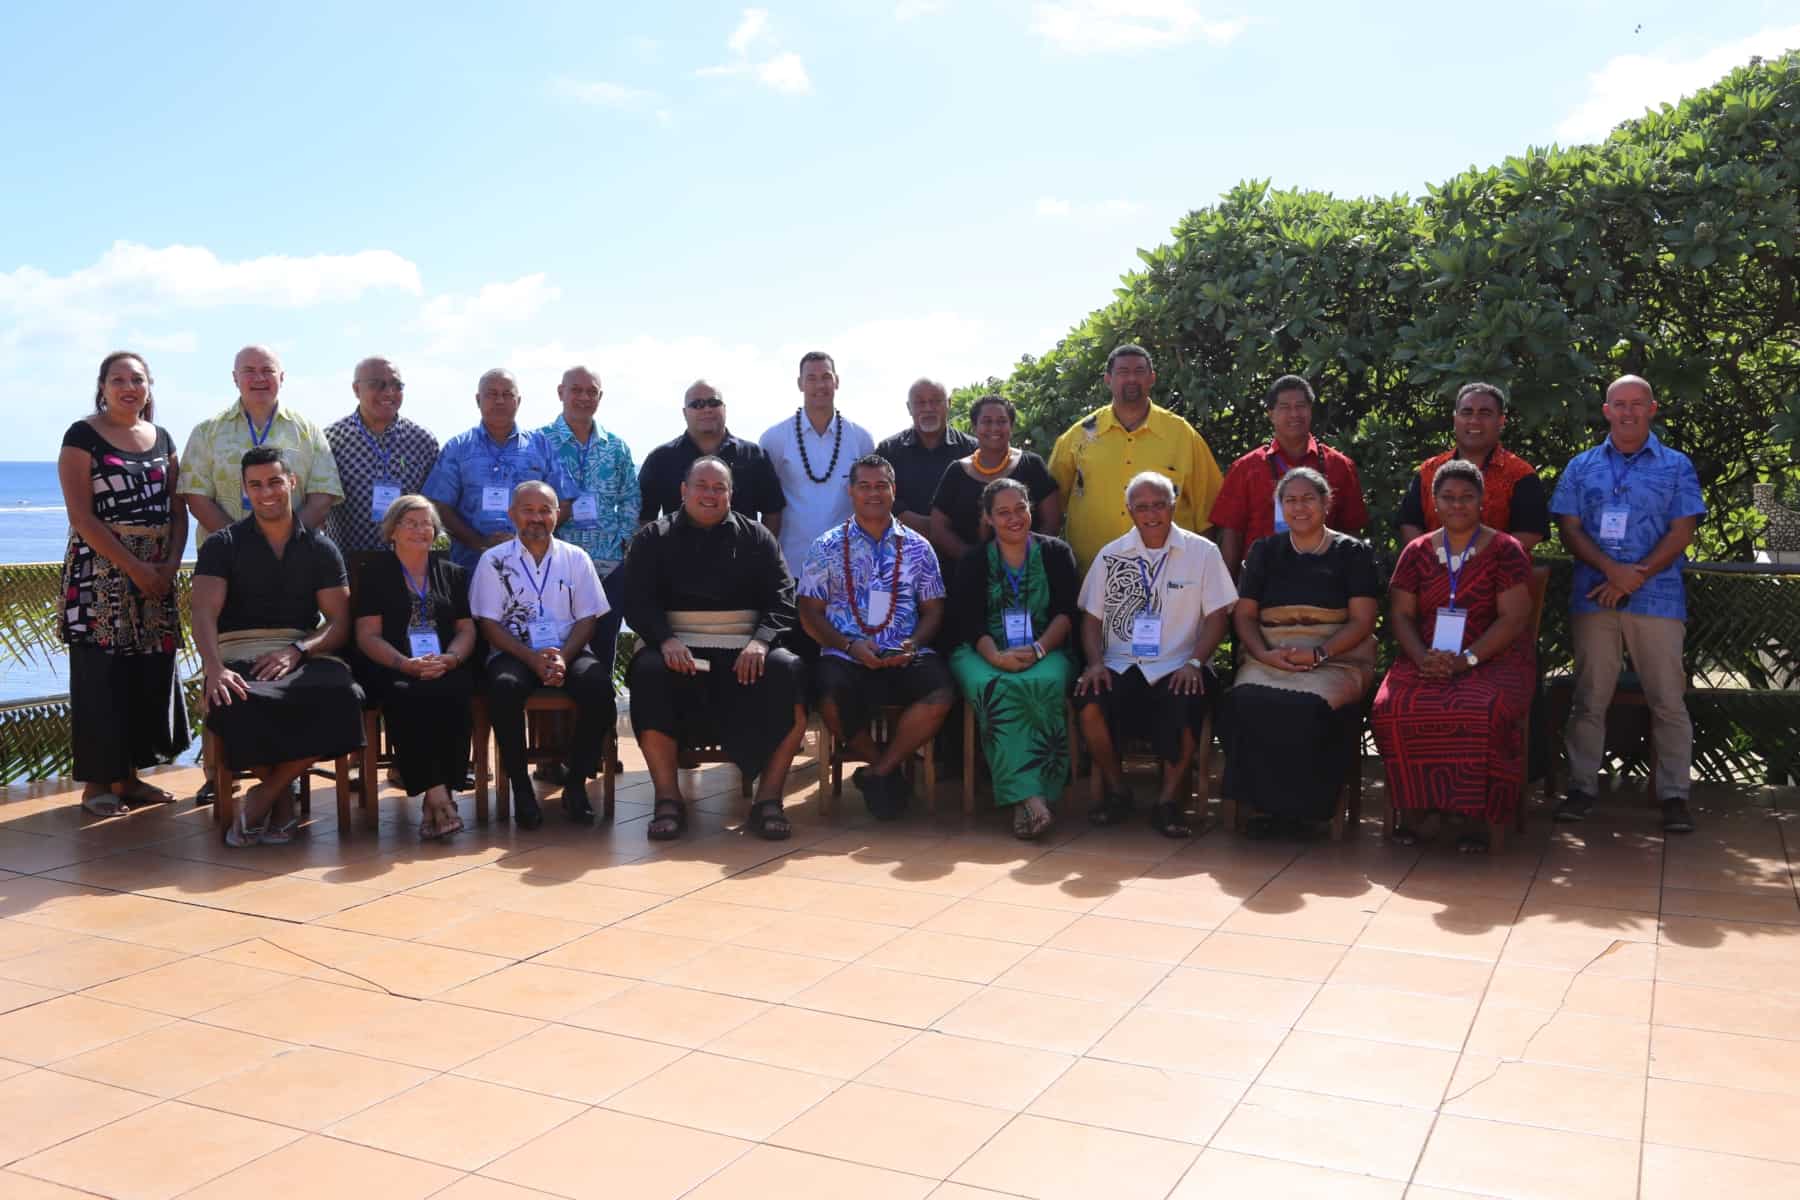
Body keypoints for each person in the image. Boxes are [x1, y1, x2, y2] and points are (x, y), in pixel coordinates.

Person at [621, 457, 808, 842]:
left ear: (731, 494)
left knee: (787, 669)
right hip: (676, 648)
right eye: (702, 486)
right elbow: (636, 599)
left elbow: (783, 597)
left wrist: (760, 641)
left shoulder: (757, 536)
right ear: (683, 491)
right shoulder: (653, 537)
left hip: (743, 650)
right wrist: (665, 639)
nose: (710, 494)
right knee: (647, 671)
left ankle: (769, 800)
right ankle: (668, 800)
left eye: (718, 488)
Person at [1549, 375, 1705, 833]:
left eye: (1638, 404)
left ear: (1653, 408)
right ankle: (1581, 789)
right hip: (1595, 597)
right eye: (1620, 404)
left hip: (1657, 598)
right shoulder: (1581, 467)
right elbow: (1570, 529)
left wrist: (1632, 577)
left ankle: (1675, 795)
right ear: (1606, 410)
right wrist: (1611, 572)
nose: (1629, 412)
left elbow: (1682, 531)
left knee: (1668, 701)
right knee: (1589, 698)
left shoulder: (1677, 466)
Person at [190, 447, 365, 848]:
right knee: (232, 699)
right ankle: (282, 800)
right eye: (255, 485)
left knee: (344, 695)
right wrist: (214, 667)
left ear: (292, 482)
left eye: (274, 482)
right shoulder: (222, 545)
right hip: (237, 654)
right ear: (244, 490)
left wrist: (300, 650)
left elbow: (339, 622)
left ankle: (265, 794)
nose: (266, 492)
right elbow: (203, 613)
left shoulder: (321, 548)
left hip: (302, 654)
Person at [1371, 460, 1536, 852]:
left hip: (1494, 659)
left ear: (1483, 500)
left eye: (1467, 497)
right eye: (1448, 497)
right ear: (1434, 501)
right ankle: (1416, 813)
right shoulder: (1416, 551)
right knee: (1392, 707)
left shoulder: (1505, 550)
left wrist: (1467, 661)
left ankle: (1476, 822)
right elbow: (1401, 615)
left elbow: (1514, 619)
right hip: (1424, 657)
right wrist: (1422, 657)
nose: (1457, 504)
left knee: (1482, 708)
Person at [56, 351, 190, 816]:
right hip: (101, 574)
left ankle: (130, 778)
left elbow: (178, 511)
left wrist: (170, 566)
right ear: (103, 386)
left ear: (149, 386)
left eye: (137, 379)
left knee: (147, 673)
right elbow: (82, 517)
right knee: (101, 677)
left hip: (157, 574)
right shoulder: (82, 436)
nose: (128, 387)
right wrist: (134, 567)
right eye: (119, 379)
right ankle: (97, 786)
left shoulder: (163, 438)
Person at [1075, 471, 1236, 838]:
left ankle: (1167, 802)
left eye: (1159, 505)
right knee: (1088, 703)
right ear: (1129, 511)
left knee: (1187, 701)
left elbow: (1217, 617)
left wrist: (1196, 662)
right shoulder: (1110, 555)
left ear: (1173, 506)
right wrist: (1095, 663)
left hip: (1181, 663)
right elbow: (1090, 620)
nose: (1151, 514)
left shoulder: (1203, 553)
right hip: (1121, 663)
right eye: (1142, 507)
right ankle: (1117, 791)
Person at [797, 454, 953, 818]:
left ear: (893, 490)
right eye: (864, 486)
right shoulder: (826, 546)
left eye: (881, 485)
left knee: (942, 692)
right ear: (850, 492)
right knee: (829, 695)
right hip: (846, 654)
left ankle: (879, 772)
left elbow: (934, 610)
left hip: (903, 652)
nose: (873, 493)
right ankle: (886, 767)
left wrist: (912, 643)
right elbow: (809, 612)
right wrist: (849, 645)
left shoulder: (919, 546)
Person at [1226, 467, 1380, 837]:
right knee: (1245, 700)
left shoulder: (1351, 553)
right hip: (1272, 657)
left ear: (1327, 503)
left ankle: (1308, 812)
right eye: (1290, 500)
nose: (1299, 507)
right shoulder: (1264, 551)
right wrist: (1263, 654)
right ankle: (1263, 808)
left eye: (1308, 498)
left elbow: (1362, 621)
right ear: (1280, 507)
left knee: (1307, 708)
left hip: (1337, 658)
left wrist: (1319, 654)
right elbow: (1245, 616)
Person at [469, 480, 613, 829]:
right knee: (503, 688)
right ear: (512, 514)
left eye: (544, 510)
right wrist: (532, 659)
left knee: (597, 686)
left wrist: (562, 656)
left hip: (569, 648)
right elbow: (488, 624)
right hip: (513, 651)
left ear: (557, 515)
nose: (536, 518)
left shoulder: (575, 558)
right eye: (528, 510)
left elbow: (587, 619)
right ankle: (521, 788)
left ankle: (576, 784)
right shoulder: (493, 561)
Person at [946, 478, 1080, 840]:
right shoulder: (974, 560)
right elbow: (968, 621)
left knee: (1043, 682)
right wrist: (996, 657)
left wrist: (1038, 650)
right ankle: (1033, 799)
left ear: (1030, 508)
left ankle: (1024, 801)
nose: (1014, 518)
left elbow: (1066, 614)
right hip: (980, 649)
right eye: (1003, 512)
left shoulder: (1056, 553)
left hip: (1047, 646)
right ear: (988, 519)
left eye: (1020, 508)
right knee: (995, 686)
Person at [351, 495, 477, 840]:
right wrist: (404, 663)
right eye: (411, 522)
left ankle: (436, 798)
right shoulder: (375, 573)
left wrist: (451, 658)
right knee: (407, 696)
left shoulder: (452, 573)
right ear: (392, 530)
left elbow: (467, 629)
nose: (421, 530)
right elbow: (367, 635)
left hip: (443, 663)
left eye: (427, 523)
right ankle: (438, 795)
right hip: (392, 664)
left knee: (456, 691)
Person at [1047, 344, 1224, 573]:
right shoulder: (1078, 436)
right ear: (1108, 379)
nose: (1131, 378)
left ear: (1152, 378)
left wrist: (1204, 573)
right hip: (1094, 576)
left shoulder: (1181, 434)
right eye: (1122, 372)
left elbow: (1208, 513)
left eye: (1139, 371)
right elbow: (1049, 509)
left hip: (1171, 577)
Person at [1208, 375, 1368, 576]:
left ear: (1310, 411)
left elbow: (1352, 531)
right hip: (1261, 587)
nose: (1294, 414)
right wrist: (1228, 597)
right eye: (1284, 407)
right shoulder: (1246, 468)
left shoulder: (1339, 466)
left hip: (1326, 585)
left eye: (1301, 406)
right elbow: (1232, 536)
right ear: (1271, 414)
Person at [180, 345, 343, 537]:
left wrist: (285, 541)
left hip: (294, 558)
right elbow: (197, 498)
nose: (259, 378)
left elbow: (322, 497)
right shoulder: (206, 433)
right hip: (226, 559)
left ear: (281, 377)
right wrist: (240, 544)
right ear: (235, 378)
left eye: (267, 370)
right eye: (249, 371)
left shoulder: (309, 432)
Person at [540, 365, 639, 682]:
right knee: (555, 649)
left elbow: (631, 497)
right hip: (556, 564)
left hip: (608, 565)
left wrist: (622, 540)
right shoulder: (539, 442)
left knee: (603, 650)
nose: (584, 397)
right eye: (576, 390)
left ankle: (601, 729)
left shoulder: (616, 446)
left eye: (591, 391)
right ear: (561, 393)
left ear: (600, 396)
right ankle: (557, 732)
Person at [423, 368, 574, 570]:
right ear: (478, 400)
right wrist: (480, 543)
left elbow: (564, 503)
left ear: (518, 401)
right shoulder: (457, 448)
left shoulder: (541, 447)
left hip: (532, 564)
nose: (500, 401)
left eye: (507, 394)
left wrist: (526, 540)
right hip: (471, 565)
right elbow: (439, 506)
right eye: (492, 394)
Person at [761, 351, 876, 579]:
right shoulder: (774, 439)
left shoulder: (861, 438)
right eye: (811, 378)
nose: (819, 385)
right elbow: (767, 505)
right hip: (792, 566)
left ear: (837, 381)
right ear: (800, 384)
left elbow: (871, 501)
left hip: (849, 567)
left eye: (825, 377)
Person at [1398, 381, 1550, 553]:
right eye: (1467, 412)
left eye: (1485, 413)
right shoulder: (1428, 471)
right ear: (1455, 419)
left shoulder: (1521, 474)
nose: (1474, 420)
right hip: (1434, 572)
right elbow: (1410, 523)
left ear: (1501, 421)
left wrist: (1474, 564)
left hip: (1500, 575)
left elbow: (1529, 533)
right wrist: (1435, 561)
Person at [323, 357, 440, 557]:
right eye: (378, 384)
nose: (389, 392)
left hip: (407, 563)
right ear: (356, 389)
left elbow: (435, 504)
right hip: (349, 563)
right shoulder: (331, 440)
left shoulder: (422, 441)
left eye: (396, 385)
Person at [929, 393, 1063, 562]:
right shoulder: (957, 472)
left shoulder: (1032, 465)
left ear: (1011, 426)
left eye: (1001, 421)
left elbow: (1052, 521)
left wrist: (1022, 560)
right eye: (986, 421)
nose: (994, 428)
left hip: (1031, 572)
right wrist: (977, 562)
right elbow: (939, 529)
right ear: (974, 426)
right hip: (973, 575)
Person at [638, 379, 785, 528]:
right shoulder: (660, 460)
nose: (707, 409)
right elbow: (644, 516)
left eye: (713, 403)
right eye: (697, 404)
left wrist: (761, 550)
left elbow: (772, 511)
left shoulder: (754, 456)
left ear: (724, 408)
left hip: (740, 551)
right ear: (684, 412)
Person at [877, 378, 976, 553]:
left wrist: (945, 530)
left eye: (936, 401)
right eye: (920, 402)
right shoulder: (888, 451)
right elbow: (877, 497)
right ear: (909, 408)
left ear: (949, 403)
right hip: (904, 557)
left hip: (962, 557)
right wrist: (928, 526)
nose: (928, 408)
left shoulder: (972, 450)